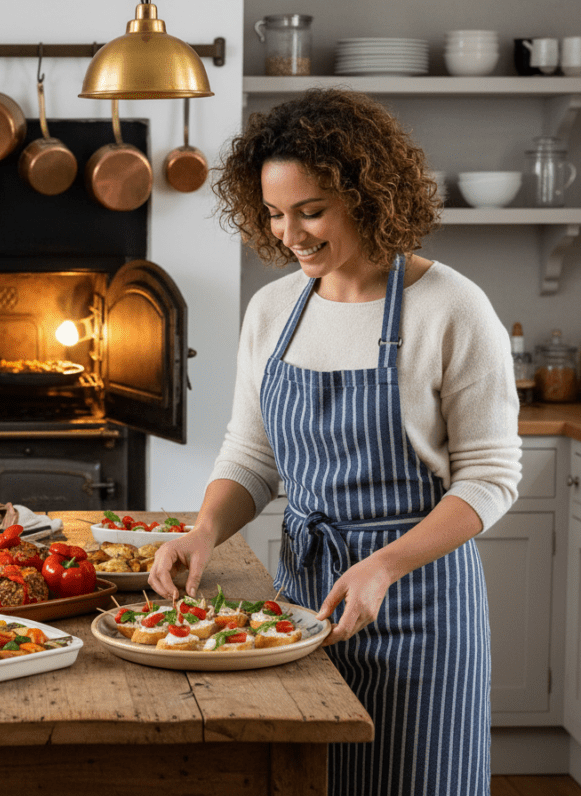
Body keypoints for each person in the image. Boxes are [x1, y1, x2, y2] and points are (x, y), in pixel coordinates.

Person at [148, 88, 522, 796]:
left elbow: (491, 479)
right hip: (298, 608)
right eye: (273, 214)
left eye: (311, 210)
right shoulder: (274, 309)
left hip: (419, 606)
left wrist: (382, 566)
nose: (290, 233)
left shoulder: (452, 308)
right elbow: (252, 456)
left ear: (368, 196)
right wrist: (203, 533)